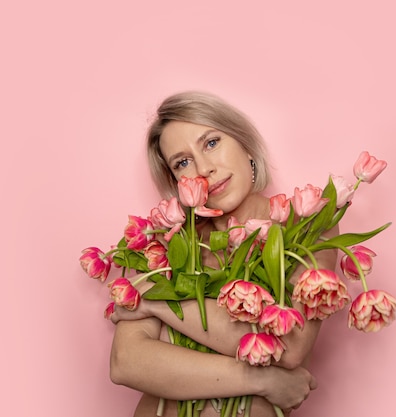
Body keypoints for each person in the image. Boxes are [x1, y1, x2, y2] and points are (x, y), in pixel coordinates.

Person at [109, 91, 338, 416]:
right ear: (175, 180)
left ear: (244, 142)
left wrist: (155, 299)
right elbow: (125, 362)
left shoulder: (307, 225)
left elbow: (290, 347)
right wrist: (264, 381)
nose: (204, 168)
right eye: (182, 162)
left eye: (211, 142)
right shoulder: (168, 241)